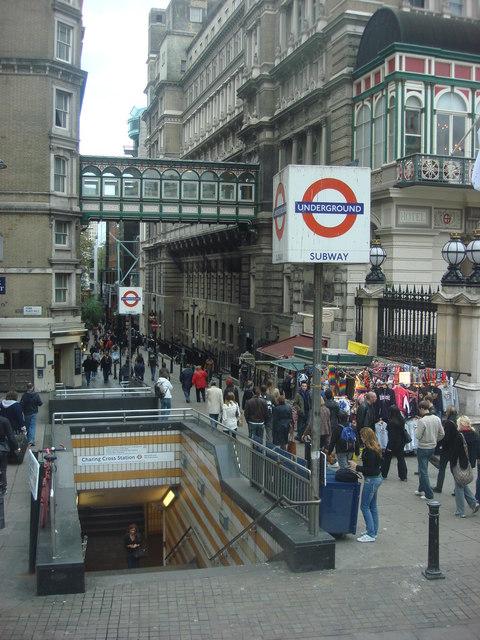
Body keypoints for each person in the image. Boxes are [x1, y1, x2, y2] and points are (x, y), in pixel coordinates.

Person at [349, 427, 383, 543]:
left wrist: (356, 466)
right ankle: (373, 530)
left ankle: (371, 533)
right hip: (376, 478)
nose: (361, 438)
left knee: (364, 506)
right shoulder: (376, 448)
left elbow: (370, 469)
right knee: (372, 506)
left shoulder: (370, 451)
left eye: (362, 436)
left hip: (371, 480)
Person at [450, 415, 480, 518]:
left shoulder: (460, 436)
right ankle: (473, 503)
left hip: (459, 463)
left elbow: (455, 452)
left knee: (459, 486)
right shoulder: (475, 435)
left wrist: (452, 464)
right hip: (469, 463)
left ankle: (460, 511)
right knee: (462, 482)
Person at [414, 400, 444, 501]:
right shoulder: (437, 418)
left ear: (422, 409)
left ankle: (429, 494)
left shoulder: (422, 421)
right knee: (423, 469)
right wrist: (435, 439)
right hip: (432, 446)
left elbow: (418, 436)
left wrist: (415, 429)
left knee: (423, 471)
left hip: (423, 447)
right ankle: (421, 488)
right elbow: (442, 433)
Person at [433, 406, 458, 493]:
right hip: (455, 449)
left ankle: (439, 487)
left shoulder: (448, 423)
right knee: (454, 469)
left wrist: (439, 444)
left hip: (447, 448)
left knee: (442, 468)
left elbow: (445, 437)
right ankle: (457, 488)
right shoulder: (457, 421)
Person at [381, 405, 408, 481]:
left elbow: (392, 436)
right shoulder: (401, 420)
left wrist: (389, 447)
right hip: (401, 442)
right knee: (401, 458)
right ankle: (403, 475)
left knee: (387, 459)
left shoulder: (391, 422)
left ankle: (383, 473)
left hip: (393, 443)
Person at [0, 415, 21, 495]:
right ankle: (3, 488)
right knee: (3, 469)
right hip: (2, 448)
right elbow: (10, 436)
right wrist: (16, 447)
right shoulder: (4, 420)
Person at [20, 382, 43, 447]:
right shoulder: (36, 395)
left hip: (27, 413)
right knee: (32, 427)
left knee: (27, 427)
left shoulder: (24, 395)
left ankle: (27, 440)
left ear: (27, 388)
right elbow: (40, 403)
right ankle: (31, 440)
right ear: (32, 387)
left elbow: (21, 404)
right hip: (34, 413)